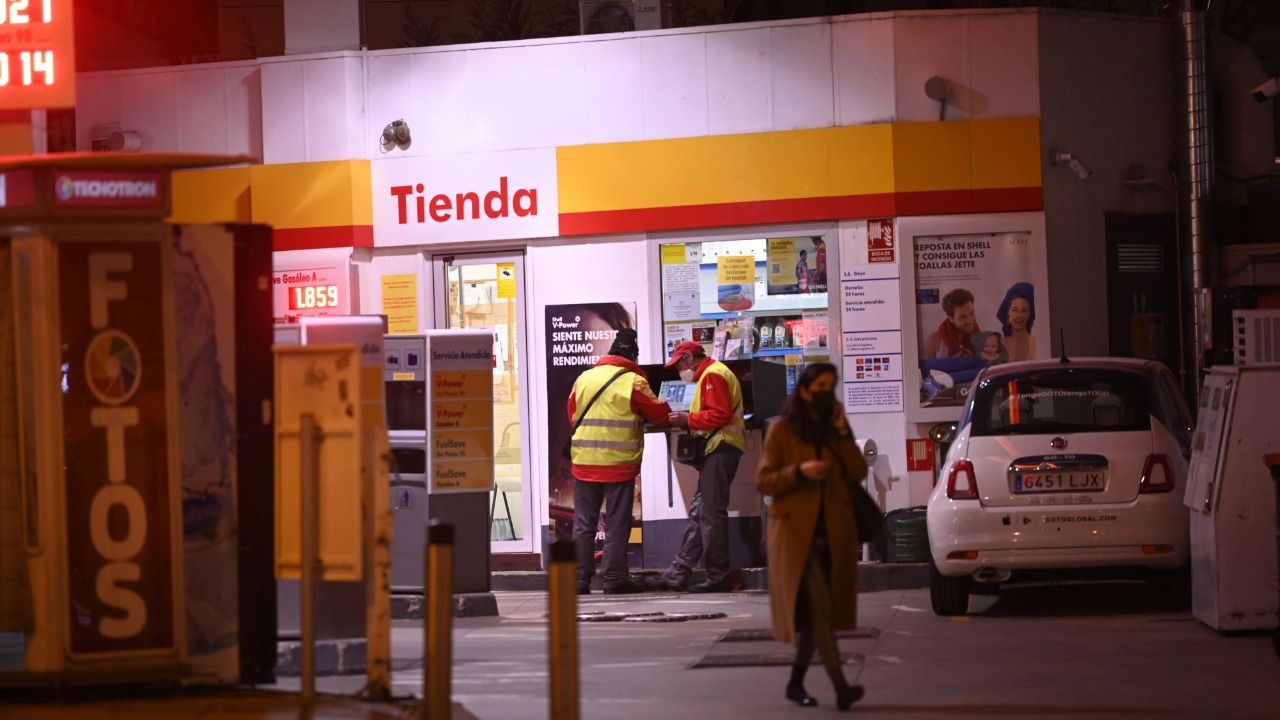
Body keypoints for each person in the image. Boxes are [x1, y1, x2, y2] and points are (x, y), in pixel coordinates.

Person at [756, 362, 867, 711]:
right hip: (794, 536)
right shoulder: (782, 432)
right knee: (820, 611)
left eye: (830, 386)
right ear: (804, 390)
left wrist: (843, 432)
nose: (825, 393)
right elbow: (764, 481)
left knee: (815, 617)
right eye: (819, 386)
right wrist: (800, 472)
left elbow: (858, 471)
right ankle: (841, 687)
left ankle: (795, 682)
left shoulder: (835, 428)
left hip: (832, 533)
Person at [567, 328, 670, 595]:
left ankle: (579, 580)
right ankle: (613, 579)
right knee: (616, 524)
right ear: (633, 356)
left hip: (584, 463)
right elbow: (658, 416)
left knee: (583, 523)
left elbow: (571, 414)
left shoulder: (585, 378)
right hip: (618, 465)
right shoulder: (634, 382)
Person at [648, 341, 746, 593]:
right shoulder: (711, 375)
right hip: (719, 448)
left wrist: (686, 419)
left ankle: (717, 577)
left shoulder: (713, 375)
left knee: (711, 515)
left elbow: (719, 414)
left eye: (680, 363)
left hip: (720, 448)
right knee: (700, 513)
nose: (679, 370)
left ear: (690, 357)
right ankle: (678, 572)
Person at [922, 288, 979, 359]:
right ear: (951, 319)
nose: (970, 320)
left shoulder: (981, 338)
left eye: (971, 313)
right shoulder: (933, 341)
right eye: (962, 317)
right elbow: (925, 370)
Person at [997, 282, 1037, 362]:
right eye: (1014, 310)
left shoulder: (1035, 343)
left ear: (1030, 314)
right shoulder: (998, 345)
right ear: (1008, 312)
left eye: (1024, 311)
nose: (1019, 315)